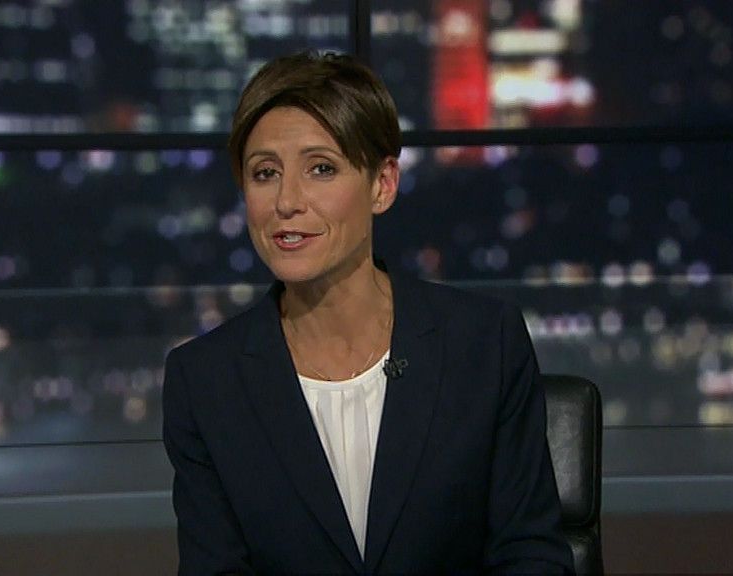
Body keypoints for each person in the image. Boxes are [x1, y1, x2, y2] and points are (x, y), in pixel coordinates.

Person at [162, 50, 575, 575]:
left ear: (382, 184)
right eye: (265, 173)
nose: (287, 201)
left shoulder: (483, 344)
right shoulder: (205, 382)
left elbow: (532, 556)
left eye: (321, 169)